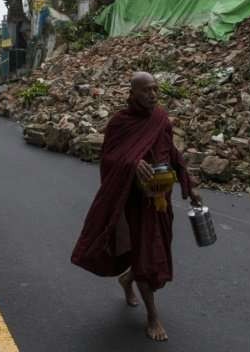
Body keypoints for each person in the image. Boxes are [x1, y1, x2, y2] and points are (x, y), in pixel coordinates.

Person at [71, 71, 203, 341]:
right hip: (135, 201)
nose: (152, 94)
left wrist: (190, 186)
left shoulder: (160, 118)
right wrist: (131, 162)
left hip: (160, 199)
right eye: (146, 90)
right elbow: (109, 158)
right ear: (132, 94)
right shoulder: (121, 123)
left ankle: (127, 279)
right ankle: (153, 316)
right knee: (147, 254)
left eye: (155, 89)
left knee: (157, 251)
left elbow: (173, 153)